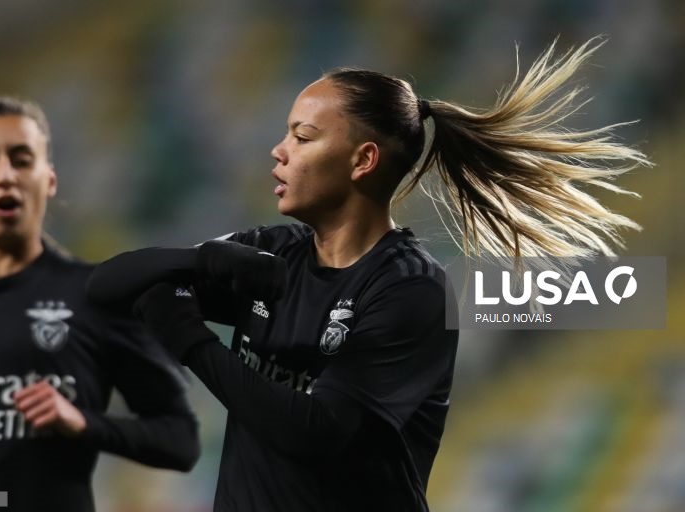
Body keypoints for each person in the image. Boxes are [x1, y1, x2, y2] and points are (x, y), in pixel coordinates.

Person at [88, 37, 649, 511]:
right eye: (287, 133)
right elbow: (106, 287)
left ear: (363, 160)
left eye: (304, 137)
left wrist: (190, 341)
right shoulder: (271, 255)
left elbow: (316, 432)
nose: (279, 151)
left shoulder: (410, 290)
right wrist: (200, 260)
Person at [0, 96, 200, 512]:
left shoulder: (96, 296)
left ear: (49, 178)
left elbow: (181, 441)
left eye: (21, 159)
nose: (5, 176)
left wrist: (83, 422)